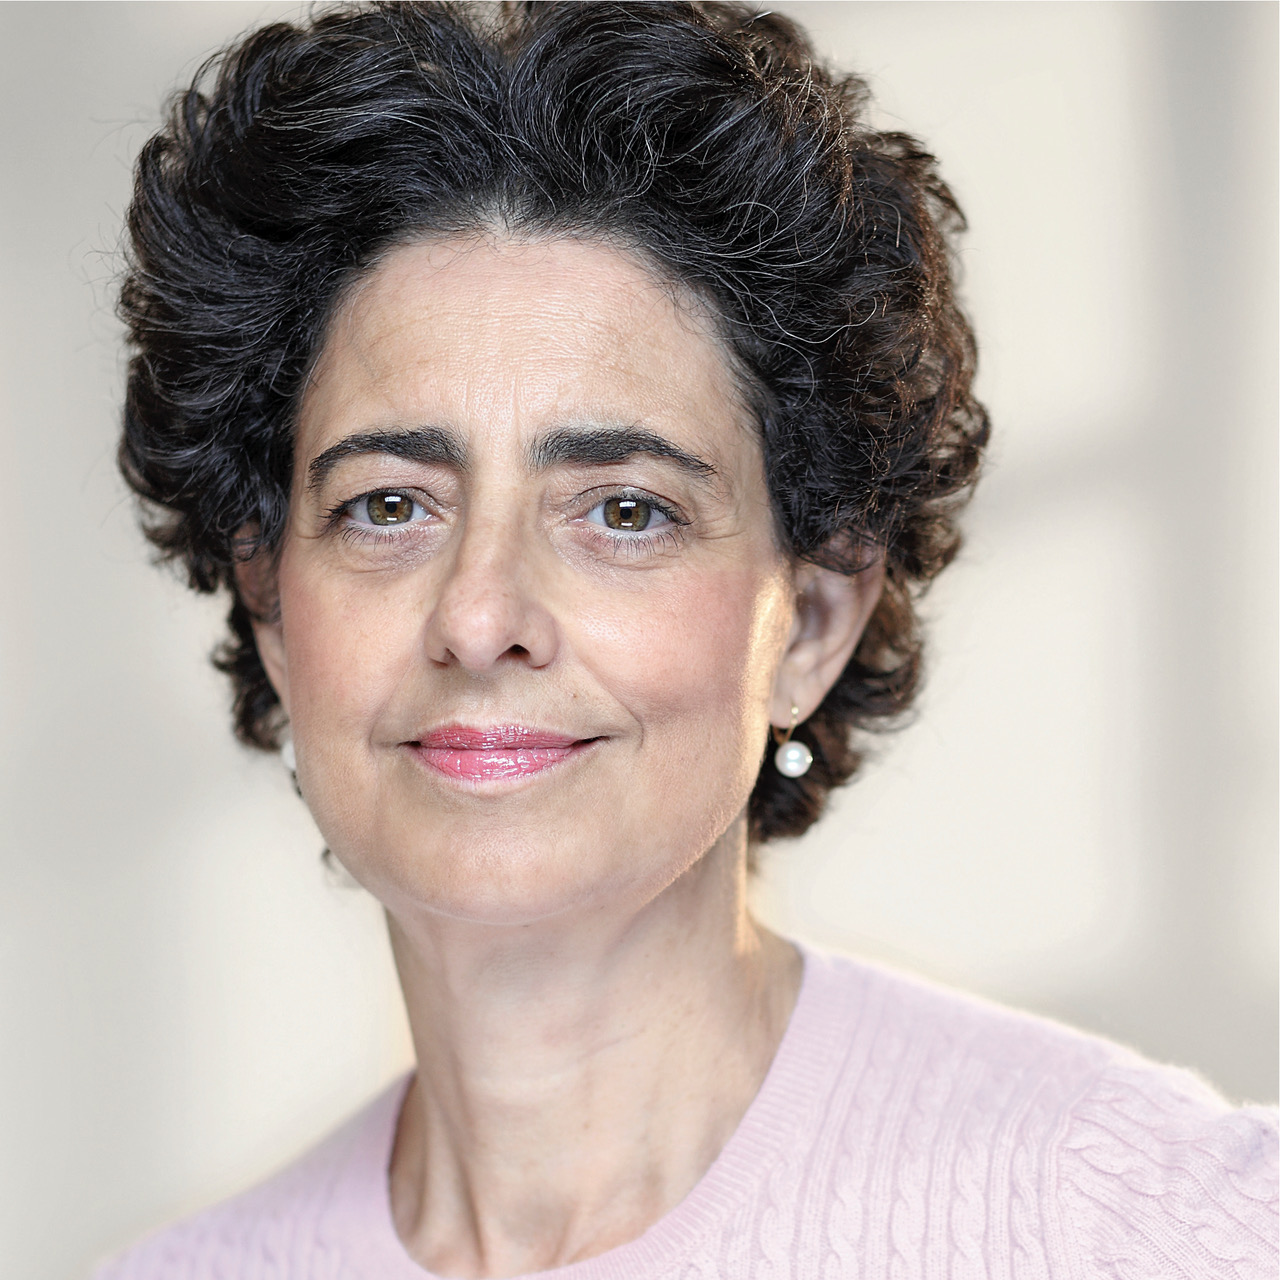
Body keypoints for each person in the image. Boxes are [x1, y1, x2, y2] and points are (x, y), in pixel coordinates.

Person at [95, 3, 1276, 1277]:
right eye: (389, 506)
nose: (478, 616)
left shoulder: (1134, 1220)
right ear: (272, 605)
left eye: (623, 510)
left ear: (810, 621)